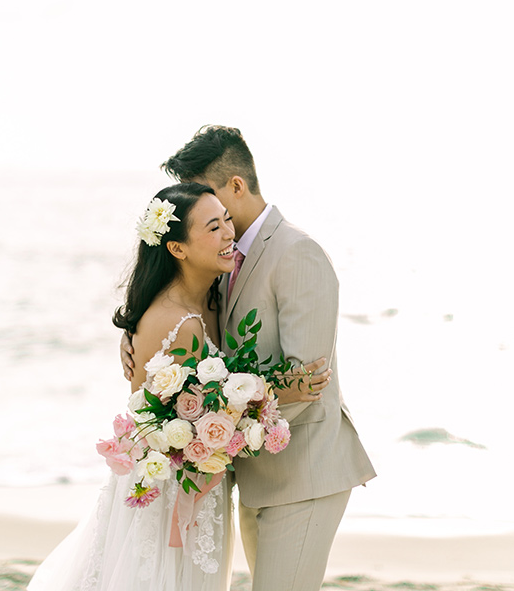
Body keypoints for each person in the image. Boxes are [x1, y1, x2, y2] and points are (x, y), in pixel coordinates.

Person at [28, 182, 329, 591]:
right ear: (177, 249)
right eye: (212, 227)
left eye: (227, 219)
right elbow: (209, 414)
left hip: (192, 483)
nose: (229, 233)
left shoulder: (209, 299)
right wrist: (278, 392)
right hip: (170, 491)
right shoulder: (180, 322)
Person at [122, 126, 377, 591]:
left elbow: (306, 379)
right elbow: (197, 337)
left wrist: (215, 429)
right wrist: (147, 345)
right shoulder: (223, 258)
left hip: (303, 476)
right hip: (253, 479)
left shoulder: (297, 253)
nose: (210, 216)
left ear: (236, 186)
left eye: (210, 197)